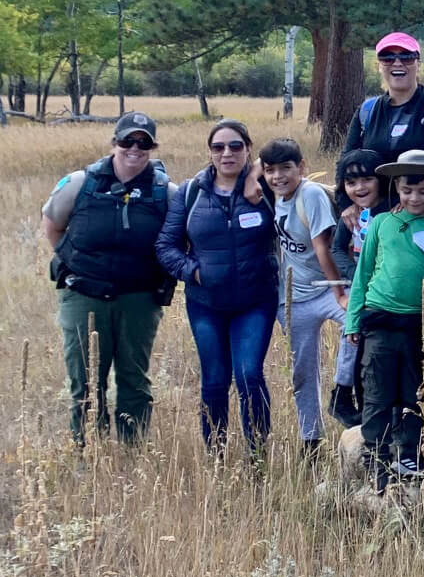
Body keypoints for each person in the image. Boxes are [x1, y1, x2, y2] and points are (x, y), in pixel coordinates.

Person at [40, 110, 176, 446]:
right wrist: (80, 264)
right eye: (127, 140)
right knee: (85, 379)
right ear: (114, 142)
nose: (135, 148)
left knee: (133, 379)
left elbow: (179, 239)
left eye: (143, 142)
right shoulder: (79, 183)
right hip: (84, 295)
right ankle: (88, 453)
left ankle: (132, 452)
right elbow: (53, 226)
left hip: (139, 300)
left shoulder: (166, 192)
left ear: (152, 147)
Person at [156, 119, 279, 452]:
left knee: (249, 375)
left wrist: (256, 171)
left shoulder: (266, 187)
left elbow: (290, 156)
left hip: (256, 301)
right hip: (206, 304)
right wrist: (193, 271)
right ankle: (216, 451)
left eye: (236, 146)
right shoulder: (191, 192)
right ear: (210, 152)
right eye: (218, 147)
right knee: (214, 380)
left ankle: (257, 453)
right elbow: (166, 245)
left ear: (249, 149)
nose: (227, 153)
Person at [344, 149, 424, 490]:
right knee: (377, 389)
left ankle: (408, 450)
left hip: (420, 325)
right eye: (407, 191)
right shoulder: (381, 224)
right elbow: (363, 275)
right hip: (380, 319)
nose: (415, 198)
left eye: (423, 191)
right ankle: (376, 451)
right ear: (396, 186)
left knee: (417, 389)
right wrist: (354, 320)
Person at [258, 139, 347, 459]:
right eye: (271, 171)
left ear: (302, 167)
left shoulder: (309, 194)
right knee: (302, 370)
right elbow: (257, 170)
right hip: (293, 298)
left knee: (356, 328)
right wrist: (264, 171)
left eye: (286, 168)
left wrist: (339, 291)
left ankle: (345, 390)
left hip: (327, 288)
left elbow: (322, 247)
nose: (278, 176)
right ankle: (311, 439)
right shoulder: (272, 190)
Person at [344, 31, 424, 214]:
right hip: (374, 214)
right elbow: (347, 161)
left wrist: (410, 197)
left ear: (418, 63)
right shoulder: (367, 111)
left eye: (407, 57)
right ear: (379, 65)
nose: (397, 62)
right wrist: (347, 204)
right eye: (387, 57)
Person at [328, 148, 389, 426]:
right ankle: (342, 393)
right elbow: (337, 249)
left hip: (388, 291)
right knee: (351, 337)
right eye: (351, 183)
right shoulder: (351, 217)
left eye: (367, 180)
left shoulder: (392, 213)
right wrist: (356, 275)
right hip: (360, 289)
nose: (359, 188)